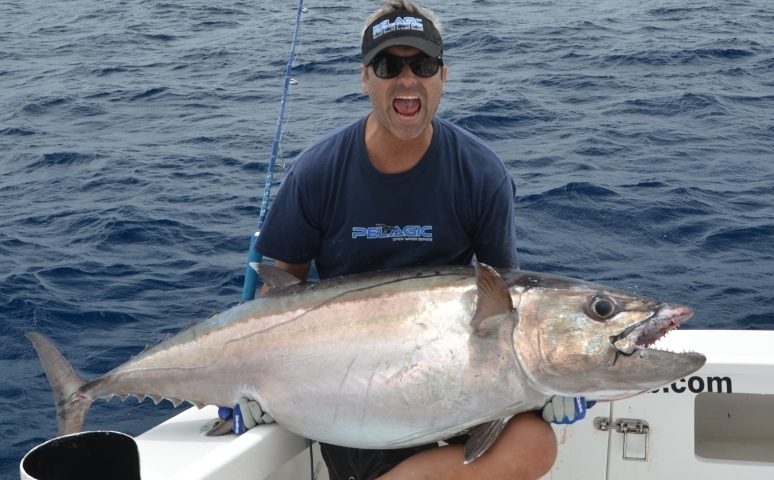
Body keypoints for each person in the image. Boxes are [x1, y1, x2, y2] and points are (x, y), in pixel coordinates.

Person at [246, 1, 581, 478]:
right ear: (365, 78)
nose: (407, 79)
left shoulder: (481, 174)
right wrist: (257, 374)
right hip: (352, 381)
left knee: (535, 443)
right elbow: (279, 292)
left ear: (443, 75)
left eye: (421, 64)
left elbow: (502, 298)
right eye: (388, 65)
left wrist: (550, 377)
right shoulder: (317, 172)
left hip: (454, 367)